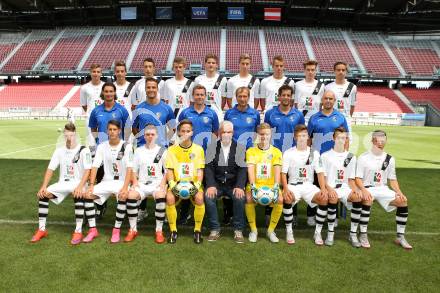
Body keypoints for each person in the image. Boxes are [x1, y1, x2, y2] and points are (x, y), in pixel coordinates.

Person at [30, 123, 92, 245]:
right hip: (63, 183)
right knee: (43, 194)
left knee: (78, 194)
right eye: (66, 134)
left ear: (75, 135)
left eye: (71, 134)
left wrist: (80, 186)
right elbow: (50, 169)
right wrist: (43, 186)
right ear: (64, 135)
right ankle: (42, 229)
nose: (68, 137)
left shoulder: (84, 150)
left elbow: (88, 170)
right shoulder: (59, 150)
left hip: (78, 183)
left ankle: (78, 231)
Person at [355, 130, 412, 250]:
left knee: (403, 201)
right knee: (367, 200)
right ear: (372, 141)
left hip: (383, 188)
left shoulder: (389, 159)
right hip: (367, 188)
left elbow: (392, 179)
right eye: (377, 140)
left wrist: (399, 192)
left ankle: (400, 237)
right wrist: (363, 190)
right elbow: (358, 178)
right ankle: (363, 234)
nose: (380, 143)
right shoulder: (363, 157)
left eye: (383, 140)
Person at [84, 120, 133, 243]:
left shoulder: (127, 146)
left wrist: (125, 187)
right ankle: (92, 230)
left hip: (121, 182)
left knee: (122, 196)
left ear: (119, 131)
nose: (112, 132)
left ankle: (116, 230)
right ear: (107, 131)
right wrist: (91, 185)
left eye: (114, 129)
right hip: (106, 182)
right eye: (110, 129)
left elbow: (129, 168)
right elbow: (95, 166)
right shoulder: (101, 146)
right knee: (87, 195)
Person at [281, 124, 328, 245]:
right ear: (295, 137)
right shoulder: (288, 153)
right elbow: (283, 174)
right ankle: (289, 231)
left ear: (308, 137)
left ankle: (317, 233)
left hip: (308, 186)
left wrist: (323, 189)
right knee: (287, 198)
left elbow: (320, 173)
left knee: (323, 199)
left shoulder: (314, 153)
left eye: (304, 135)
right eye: (299, 135)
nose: (302, 138)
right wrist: (285, 189)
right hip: (293, 185)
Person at [204, 121, 247, 243]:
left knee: (240, 198)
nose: (226, 134)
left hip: (233, 185)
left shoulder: (240, 148)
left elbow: (242, 169)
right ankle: (214, 229)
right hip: (216, 184)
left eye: (229, 132)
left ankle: (238, 230)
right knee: (208, 197)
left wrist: (239, 186)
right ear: (219, 133)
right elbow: (209, 167)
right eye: (224, 132)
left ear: (233, 133)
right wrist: (211, 185)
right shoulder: (212, 147)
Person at [165, 119, 206, 244]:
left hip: (193, 184)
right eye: (183, 131)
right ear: (178, 133)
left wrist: (198, 185)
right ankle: (173, 231)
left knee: (199, 198)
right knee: (169, 198)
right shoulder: (172, 150)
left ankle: (197, 231)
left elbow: (200, 170)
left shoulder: (198, 149)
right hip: (177, 183)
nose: (185, 133)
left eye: (188, 131)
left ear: (192, 132)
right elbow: (170, 170)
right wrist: (172, 185)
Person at [321, 127, 362, 247]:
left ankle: (353, 234)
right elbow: (323, 178)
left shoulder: (351, 157)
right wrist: (329, 189)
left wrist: (356, 189)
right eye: (338, 137)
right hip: (331, 187)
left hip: (345, 188)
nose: (340, 140)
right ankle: (330, 233)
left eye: (343, 138)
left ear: (346, 140)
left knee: (357, 198)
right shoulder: (325, 156)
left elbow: (350, 180)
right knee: (333, 198)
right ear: (333, 138)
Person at [127, 125, 167, 243]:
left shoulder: (162, 151)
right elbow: (134, 170)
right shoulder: (139, 151)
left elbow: (167, 170)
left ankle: (159, 230)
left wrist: (163, 183)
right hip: (142, 184)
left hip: (157, 184)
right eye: (147, 134)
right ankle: (133, 229)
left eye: (152, 134)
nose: (150, 137)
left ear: (157, 136)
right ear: (144, 136)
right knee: (131, 196)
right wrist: (134, 182)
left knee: (160, 196)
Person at [245, 123, 283, 243]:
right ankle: (253, 230)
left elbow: (277, 170)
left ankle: (271, 231)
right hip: (256, 184)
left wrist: (276, 187)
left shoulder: (276, 151)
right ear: (257, 135)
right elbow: (250, 169)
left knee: (280, 199)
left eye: (267, 134)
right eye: (261, 134)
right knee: (249, 198)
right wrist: (253, 187)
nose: (264, 137)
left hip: (271, 185)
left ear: (270, 135)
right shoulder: (251, 151)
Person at [264, 84, 305, 152]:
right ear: (279, 97)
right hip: (274, 152)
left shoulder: (299, 114)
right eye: (283, 95)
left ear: (291, 97)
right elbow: (265, 134)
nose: (286, 97)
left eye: (288, 95)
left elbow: (302, 135)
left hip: (293, 152)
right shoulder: (269, 114)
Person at [178, 85, 219, 152]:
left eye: (202, 95)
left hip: (206, 151)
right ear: (193, 96)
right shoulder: (185, 113)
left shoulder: (212, 113)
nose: (199, 97)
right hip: (188, 150)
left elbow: (215, 132)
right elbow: (179, 132)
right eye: (197, 95)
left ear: (205, 96)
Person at [307, 90, 349, 154]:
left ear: (334, 100)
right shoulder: (313, 118)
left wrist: (344, 155)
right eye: (326, 98)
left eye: (331, 99)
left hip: (335, 157)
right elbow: (308, 139)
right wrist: (307, 155)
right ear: (322, 100)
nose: (328, 100)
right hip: (318, 157)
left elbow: (346, 139)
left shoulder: (341, 117)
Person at [188, 53, 227, 120]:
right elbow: (194, 98)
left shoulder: (222, 79)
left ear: (216, 65)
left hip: (217, 114)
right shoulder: (198, 79)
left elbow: (223, 97)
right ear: (205, 64)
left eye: (213, 63)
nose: (211, 64)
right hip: (201, 113)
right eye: (209, 62)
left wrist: (217, 108)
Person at [325, 61, 357, 139]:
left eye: (343, 70)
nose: (341, 72)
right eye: (338, 70)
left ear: (346, 71)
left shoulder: (352, 87)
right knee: (330, 141)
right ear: (334, 71)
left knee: (346, 142)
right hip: (331, 118)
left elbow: (352, 105)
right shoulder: (328, 87)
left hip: (346, 118)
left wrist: (348, 117)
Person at [80, 63, 104, 145]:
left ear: (101, 73)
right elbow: (84, 105)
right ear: (90, 73)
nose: (96, 74)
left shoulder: (106, 86)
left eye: (98, 72)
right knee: (91, 143)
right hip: (90, 118)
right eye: (94, 72)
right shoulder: (84, 88)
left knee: (104, 143)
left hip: (105, 118)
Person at [294, 60, 325, 125]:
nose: (310, 72)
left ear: (315, 71)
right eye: (308, 70)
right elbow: (295, 103)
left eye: (312, 70)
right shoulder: (297, 85)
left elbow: (321, 104)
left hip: (315, 120)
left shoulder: (321, 86)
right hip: (301, 119)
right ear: (304, 71)